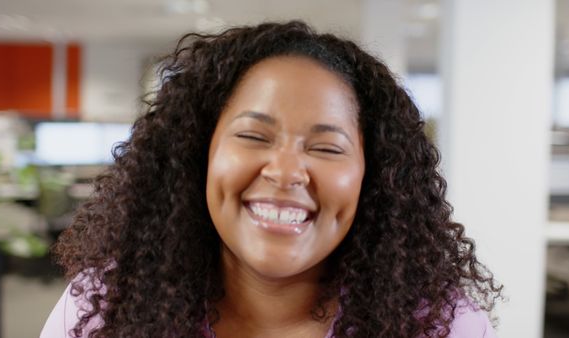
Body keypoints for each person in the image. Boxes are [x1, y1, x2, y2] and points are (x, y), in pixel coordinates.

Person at [41, 21, 502, 338]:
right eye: (253, 136)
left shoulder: (441, 325)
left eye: (326, 147)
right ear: (199, 156)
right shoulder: (102, 309)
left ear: (373, 176)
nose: (284, 172)